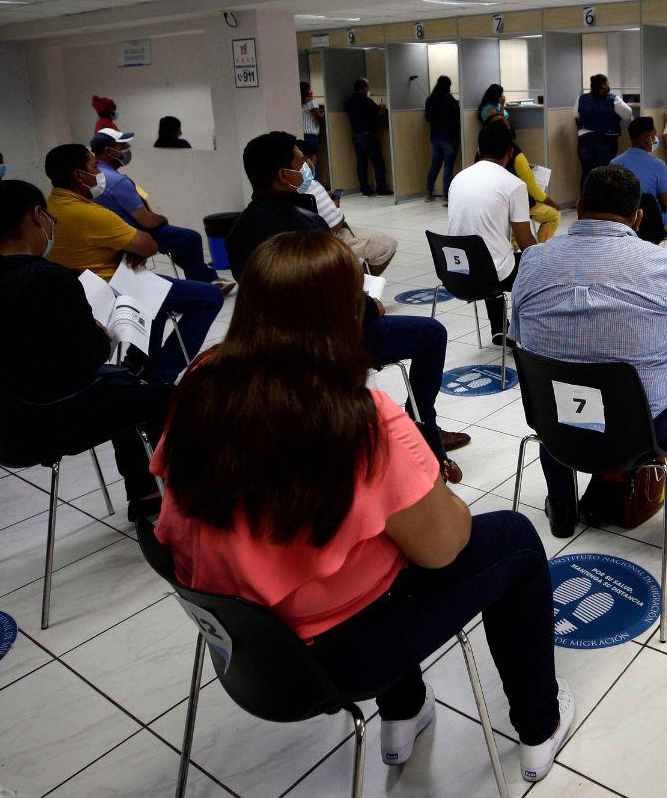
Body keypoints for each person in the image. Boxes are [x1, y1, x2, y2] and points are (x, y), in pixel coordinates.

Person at [152, 229, 573, 783]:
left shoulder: (198, 387)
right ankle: (539, 725)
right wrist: (428, 484)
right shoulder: (357, 418)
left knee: (370, 546)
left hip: (249, 648)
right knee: (514, 539)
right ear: (347, 315)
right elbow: (443, 549)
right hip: (342, 656)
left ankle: (404, 713)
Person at [511, 164, 667, 557]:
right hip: (640, 433)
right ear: (638, 217)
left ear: (579, 208)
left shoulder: (532, 260)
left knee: (555, 377)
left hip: (556, 424)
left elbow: (520, 339)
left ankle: (562, 507)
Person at [227, 132, 470, 482]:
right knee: (433, 334)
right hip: (329, 339)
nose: (308, 168)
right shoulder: (304, 227)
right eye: (301, 163)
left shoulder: (239, 230)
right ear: (284, 175)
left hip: (273, 345)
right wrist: (370, 308)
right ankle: (423, 428)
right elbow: (327, 300)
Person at [0, 179, 172, 520]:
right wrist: (100, 332)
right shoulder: (47, 278)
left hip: (4, 419)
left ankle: (146, 491)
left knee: (122, 382)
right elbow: (90, 355)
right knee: (168, 398)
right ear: (36, 216)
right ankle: (181, 497)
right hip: (50, 416)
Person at [43, 143, 223, 384]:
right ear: (79, 175)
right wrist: (132, 249)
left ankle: (137, 363)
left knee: (157, 303)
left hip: (79, 290)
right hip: (115, 288)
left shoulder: (49, 207)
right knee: (210, 297)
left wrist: (127, 249)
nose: (99, 173)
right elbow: (148, 245)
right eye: (94, 166)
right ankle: (161, 374)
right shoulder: (89, 214)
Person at [91, 128, 233, 291]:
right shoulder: (117, 181)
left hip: (112, 231)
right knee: (190, 238)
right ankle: (204, 285)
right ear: (109, 151)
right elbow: (147, 221)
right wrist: (163, 219)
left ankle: (207, 279)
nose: (127, 149)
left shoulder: (96, 176)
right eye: (123, 146)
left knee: (179, 241)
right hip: (134, 233)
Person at [448, 119, 536, 344]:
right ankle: (530, 333)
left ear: (478, 150)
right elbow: (526, 243)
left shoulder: (458, 178)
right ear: (510, 152)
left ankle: (499, 330)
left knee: (490, 254)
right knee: (535, 265)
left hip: (455, 271)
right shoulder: (513, 184)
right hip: (491, 274)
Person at [296, 139, 397, 273]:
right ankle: (359, 282)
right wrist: (333, 207)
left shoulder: (293, 189)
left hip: (317, 238)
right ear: (307, 160)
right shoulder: (308, 185)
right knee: (388, 245)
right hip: (332, 238)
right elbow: (336, 224)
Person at [611, 116, 667, 242]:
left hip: (621, 225)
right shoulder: (658, 165)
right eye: (654, 136)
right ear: (646, 139)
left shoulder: (614, 163)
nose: (655, 139)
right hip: (652, 226)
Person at [576, 73, 633, 196]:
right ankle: (602, 203)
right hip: (606, 140)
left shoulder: (582, 99)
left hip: (585, 140)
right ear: (605, 84)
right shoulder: (614, 99)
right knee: (604, 174)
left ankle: (585, 202)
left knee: (587, 172)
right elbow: (628, 113)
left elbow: (576, 115)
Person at [344, 78, 391, 196]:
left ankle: (365, 189)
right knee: (378, 162)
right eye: (367, 87)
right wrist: (382, 106)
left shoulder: (349, 102)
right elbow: (379, 111)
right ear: (364, 88)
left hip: (356, 135)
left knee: (361, 163)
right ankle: (381, 188)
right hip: (367, 136)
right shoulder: (366, 100)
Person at [424, 75, 460, 201]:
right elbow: (457, 112)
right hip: (449, 137)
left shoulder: (430, 99)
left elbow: (427, 118)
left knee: (435, 165)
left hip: (434, 137)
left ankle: (429, 193)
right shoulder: (448, 98)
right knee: (448, 167)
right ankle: (445, 194)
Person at [299, 81, 324, 159]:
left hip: (302, 134)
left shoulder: (299, 101)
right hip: (311, 135)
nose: (311, 91)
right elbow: (318, 117)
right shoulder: (311, 102)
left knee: (304, 159)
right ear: (307, 91)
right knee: (313, 159)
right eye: (309, 89)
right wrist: (323, 113)